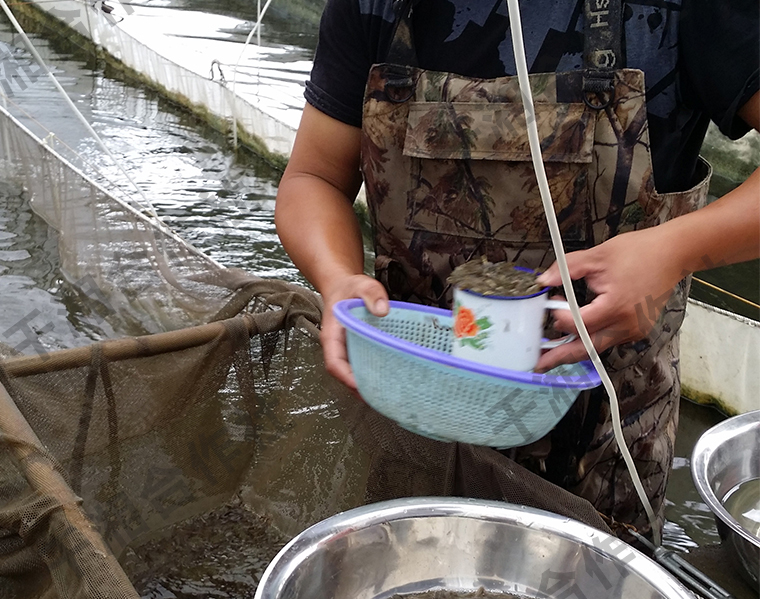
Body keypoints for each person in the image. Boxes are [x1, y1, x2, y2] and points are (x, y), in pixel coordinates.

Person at [275, 0, 760, 533]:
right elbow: (314, 178)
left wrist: (675, 249)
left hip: (603, 443)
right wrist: (336, 275)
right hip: (415, 416)